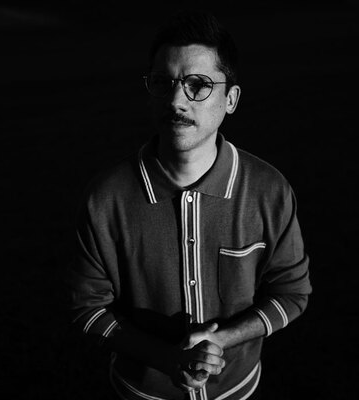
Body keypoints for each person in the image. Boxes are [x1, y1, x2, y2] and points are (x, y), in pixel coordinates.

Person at [66, 9, 312, 400]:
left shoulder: (269, 190)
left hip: (236, 390)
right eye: (163, 83)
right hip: (142, 393)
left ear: (231, 99)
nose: (176, 100)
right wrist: (166, 358)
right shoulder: (106, 198)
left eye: (198, 85)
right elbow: (88, 308)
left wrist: (224, 339)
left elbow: (292, 293)